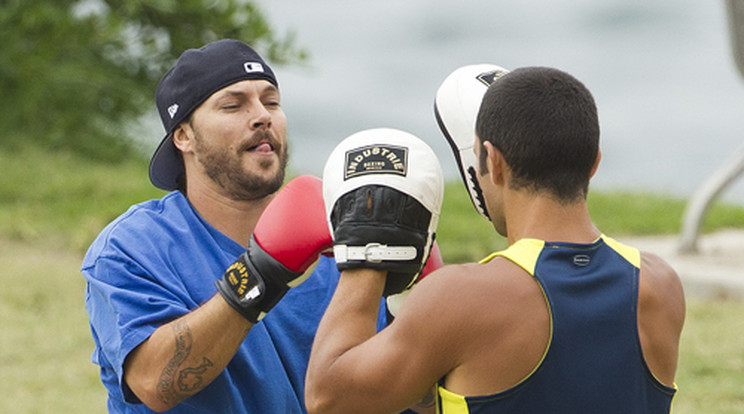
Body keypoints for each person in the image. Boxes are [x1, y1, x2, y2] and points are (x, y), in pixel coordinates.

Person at [305, 66, 686, 414]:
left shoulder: (463, 298)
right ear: (594, 163)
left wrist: (366, 253)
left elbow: (328, 398)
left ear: (493, 161)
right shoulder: (660, 285)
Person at [81, 39, 394, 413]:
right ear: (184, 136)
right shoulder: (132, 247)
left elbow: (410, 397)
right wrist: (262, 274)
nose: (263, 116)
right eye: (233, 105)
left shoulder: (345, 241)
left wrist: (416, 311)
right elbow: (153, 383)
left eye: (272, 102)